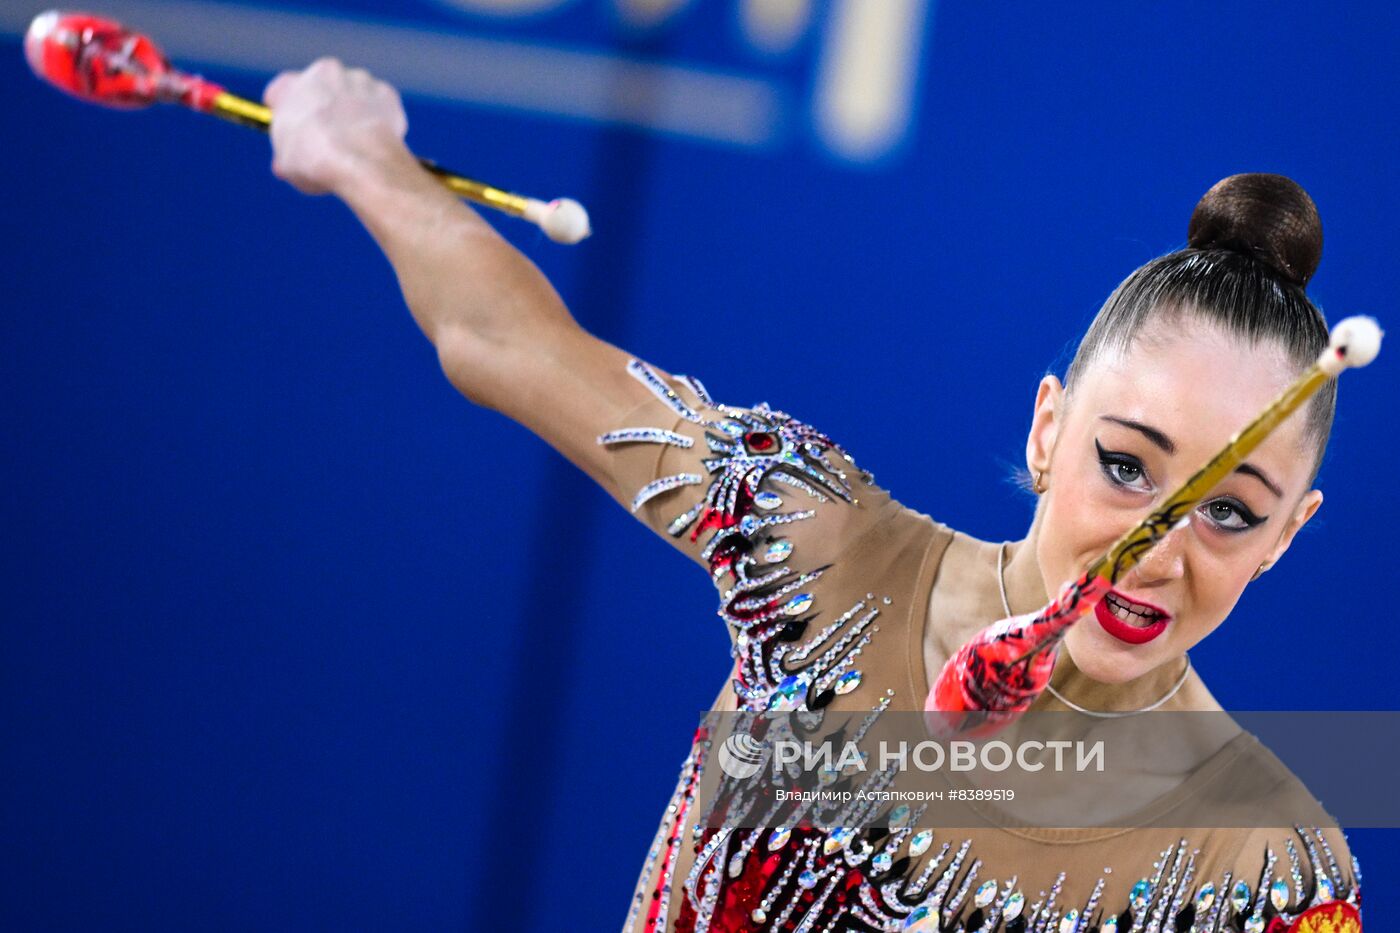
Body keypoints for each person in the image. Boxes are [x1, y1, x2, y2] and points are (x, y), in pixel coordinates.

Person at [260, 60, 1365, 932]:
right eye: (1124, 467)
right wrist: (366, 160)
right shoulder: (815, 547)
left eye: (1229, 510)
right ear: (1045, 429)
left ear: (1286, 536)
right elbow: (502, 339)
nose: (1151, 550)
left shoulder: (1263, 869)